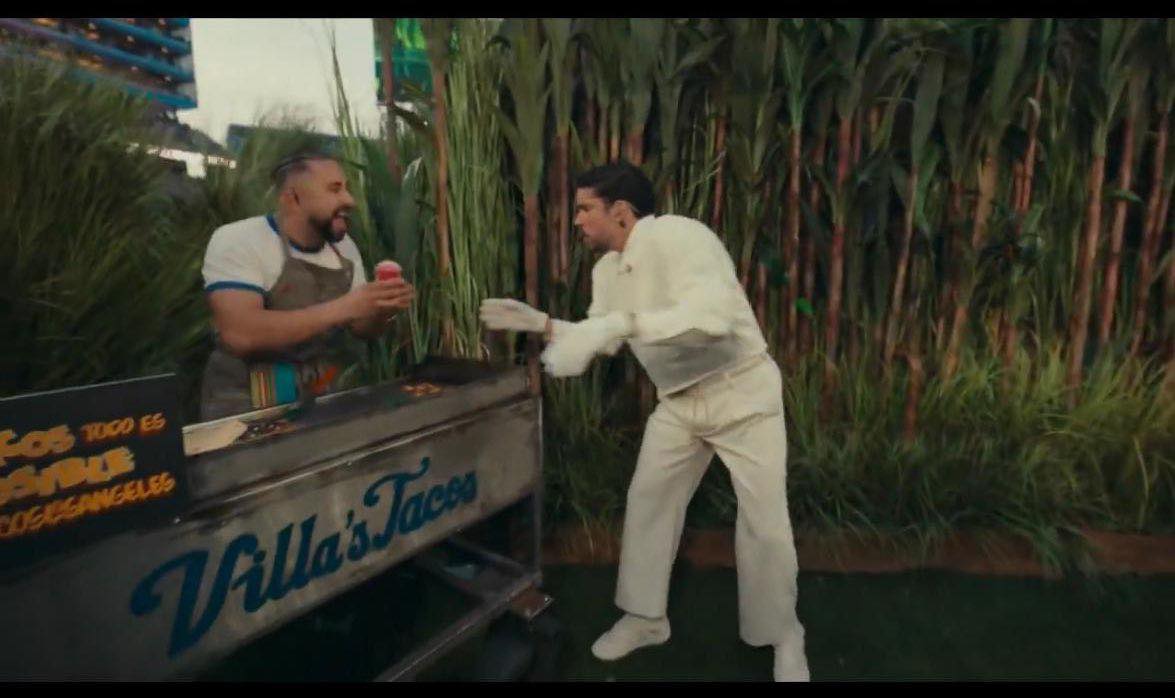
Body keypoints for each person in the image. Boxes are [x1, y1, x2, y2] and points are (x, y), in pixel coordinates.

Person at [479, 161, 809, 682]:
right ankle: (646, 619)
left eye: (585, 209)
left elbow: (711, 321)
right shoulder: (606, 273)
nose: (576, 220)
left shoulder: (682, 236)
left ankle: (784, 634)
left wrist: (622, 322)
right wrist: (542, 324)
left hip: (742, 392)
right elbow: (602, 338)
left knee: (764, 523)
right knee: (649, 500)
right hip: (678, 403)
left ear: (622, 212)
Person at [198, 149, 414, 421]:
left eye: (346, 189)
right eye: (334, 189)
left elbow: (362, 329)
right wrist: (346, 307)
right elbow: (240, 334)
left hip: (323, 399)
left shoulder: (344, 248)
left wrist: (380, 308)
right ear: (292, 198)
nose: (349, 200)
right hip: (247, 407)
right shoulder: (239, 240)